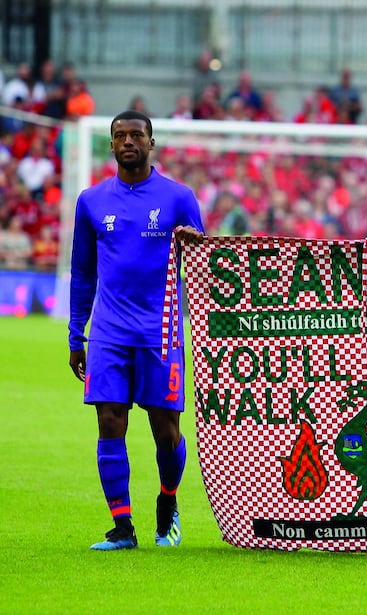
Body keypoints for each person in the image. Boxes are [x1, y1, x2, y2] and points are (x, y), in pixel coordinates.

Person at [68, 110, 204, 551]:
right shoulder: (91, 201)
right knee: (109, 420)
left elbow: (203, 269)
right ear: (110, 145)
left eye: (136, 135)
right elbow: (82, 273)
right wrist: (76, 334)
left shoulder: (180, 198)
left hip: (160, 332)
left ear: (151, 143)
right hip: (108, 332)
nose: (128, 141)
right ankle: (122, 528)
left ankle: (168, 501)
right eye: (119, 135)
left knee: (166, 430)